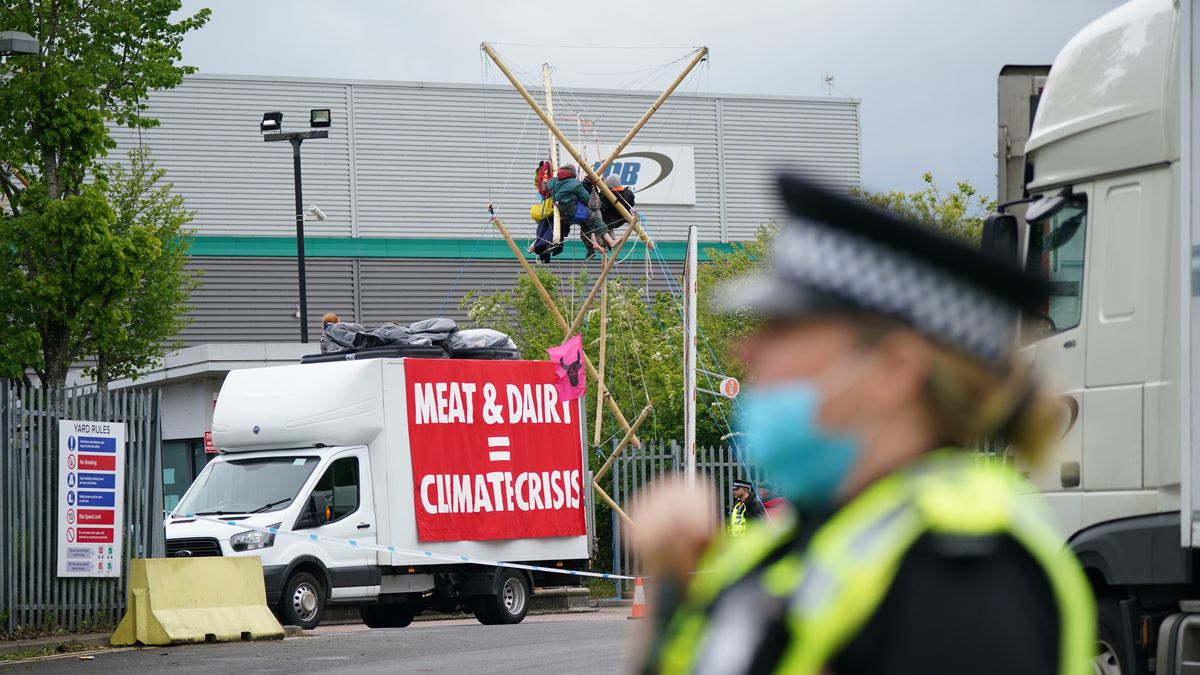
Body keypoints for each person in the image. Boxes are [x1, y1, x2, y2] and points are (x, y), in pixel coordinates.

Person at [633, 175, 1095, 674]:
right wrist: (671, 585)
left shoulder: (961, 573)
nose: (746, 350)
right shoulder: (799, 538)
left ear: (895, 367)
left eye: (784, 327)